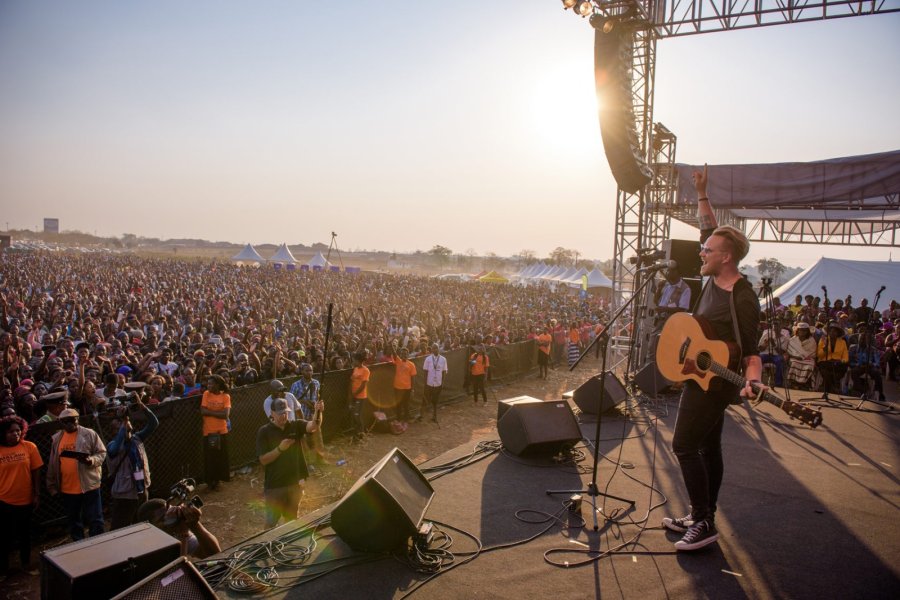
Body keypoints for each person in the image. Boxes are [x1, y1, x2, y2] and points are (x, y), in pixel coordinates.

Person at [662, 164, 763, 552]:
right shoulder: (710, 275)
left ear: (727, 258)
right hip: (698, 374)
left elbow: (750, 351)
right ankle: (701, 513)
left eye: (708, 249)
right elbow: (709, 226)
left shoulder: (742, 297)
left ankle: (704, 522)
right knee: (708, 447)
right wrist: (702, 192)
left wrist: (753, 378)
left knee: (684, 445)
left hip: (717, 382)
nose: (701, 250)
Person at [256, 396, 323, 528]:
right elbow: (263, 460)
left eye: (286, 412)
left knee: (292, 520)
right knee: (270, 523)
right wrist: (280, 449)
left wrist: (318, 411)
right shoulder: (264, 431)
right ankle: (268, 547)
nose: (284, 416)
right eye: (280, 413)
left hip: (294, 484)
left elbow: (313, 426)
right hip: (275, 486)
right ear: (272, 413)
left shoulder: (295, 425)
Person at [46, 408, 107, 541]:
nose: (70, 423)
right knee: (74, 521)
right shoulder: (57, 439)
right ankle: (79, 546)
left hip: (89, 485)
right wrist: (51, 486)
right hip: (67, 488)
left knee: (95, 519)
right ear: (61, 422)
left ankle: (98, 544)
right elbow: (53, 463)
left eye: (72, 420)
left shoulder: (89, 434)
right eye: (66, 421)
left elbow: (102, 453)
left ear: (77, 419)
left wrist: (90, 460)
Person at [0, 415, 43, 576]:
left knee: (25, 535)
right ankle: (3, 569)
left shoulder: (29, 447)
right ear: (3, 433)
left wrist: (37, 493)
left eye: (18, 430)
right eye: (11, 431)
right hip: (4, 500)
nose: (15, 434)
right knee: (4, 537)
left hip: (25, 499)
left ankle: (26, 564)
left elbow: (36, 470)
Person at [107, 399, 159, 529]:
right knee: (120, 526)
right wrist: (124, 424)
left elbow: (154, 423)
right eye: (119, 424)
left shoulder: (137, 438)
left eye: (125, 421)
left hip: (141, 487)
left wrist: (142, 406)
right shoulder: (113, 445)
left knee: (142, 521)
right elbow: (114, 450)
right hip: (125, 492)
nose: (124, 423)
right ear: (114, 432)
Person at [136, 499, 221, 558]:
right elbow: (176, 575)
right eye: (163, 519)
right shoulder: (145, 549)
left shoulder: (176, 531)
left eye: (170, 514)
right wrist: (183, 536)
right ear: (149, 527)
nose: (171, 520)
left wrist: (195, 526)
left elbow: (215, 555)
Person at [289, 364, 327, 464]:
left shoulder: (316, 383)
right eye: (307, 371)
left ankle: (320, 459)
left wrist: (317, 404)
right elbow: (291, 401)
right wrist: (304, 402)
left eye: (311, 370)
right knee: (303, 439)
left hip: (313, 414)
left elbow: (318, 397)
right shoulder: (296, 385)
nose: (309, 372)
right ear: (302, 372)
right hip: (302, 415)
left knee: (318, 436)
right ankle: (306, 462)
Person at [200, 375, 231, 491]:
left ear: (218, 385)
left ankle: (217, 482)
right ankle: (209, 483)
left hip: (221, 431)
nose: (209, 386)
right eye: (208, 384)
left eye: (211, 384)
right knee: (209, 459)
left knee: (219, 458)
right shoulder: (206, 394)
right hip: (208, 432)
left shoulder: (226, 396)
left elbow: (226, 415)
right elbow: (203, 411)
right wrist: (218, 412)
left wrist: (210, 412)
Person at [816, 322, 849, 395]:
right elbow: (819, 355)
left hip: (838, 363)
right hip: (825, 361)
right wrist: (824, 349)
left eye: (835, 331)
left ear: (838, 333)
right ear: (828, 331)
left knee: (841, 369)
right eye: (831, 330)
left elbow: (845, 356)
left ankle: (825, 387)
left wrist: (842, 361)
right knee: (826, 371)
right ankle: (833, 387)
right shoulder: (823, 339)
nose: (832, 332)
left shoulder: (843, 342)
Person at [757, 317, 790, 387]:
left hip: (776, 355)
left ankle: (778, 383)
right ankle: (757, 381)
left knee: (780, 361)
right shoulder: (767, 334)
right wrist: (765, 344)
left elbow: (782, 352)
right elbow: (760, 348)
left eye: (777, 324)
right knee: (757, 359)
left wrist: (773, 344)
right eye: (774, 324)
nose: (775, 326)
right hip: (765, 354)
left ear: (781, 326)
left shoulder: (785, 339)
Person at [421, 343, 448, 423]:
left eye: (436, 348)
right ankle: (421, 415)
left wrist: (442, 383)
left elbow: (444, 372)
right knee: (425, 399)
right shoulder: (428, 359)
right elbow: (425, 371)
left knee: (435, 401)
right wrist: (425, 383)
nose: (435, 349)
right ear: (431, 350)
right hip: (429, 383)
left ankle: (435, 416)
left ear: (439, 349)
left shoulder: (443, 359)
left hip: (438, 384)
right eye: (433, 348)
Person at [389, 347, 417, 423]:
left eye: (405, 353)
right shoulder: (398, 361)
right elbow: (393, 352)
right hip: (397, 387)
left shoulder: (411, 364)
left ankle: (406, 420)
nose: (404, 355)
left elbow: (413, 378)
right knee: (398, 405)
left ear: (408, 355)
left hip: (407, 388)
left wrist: (412, 389)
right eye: (402, 353)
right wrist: (390, 344)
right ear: (400, 355)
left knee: (406, 405)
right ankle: (399, 419)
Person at [786, 323, 817, 388]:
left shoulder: (812, 340)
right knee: (794, 363)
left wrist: (804, 357)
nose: (802, 332)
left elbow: (813, 352)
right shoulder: (793, 340)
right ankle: (794, 383)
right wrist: (796, 357)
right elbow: (789, 351)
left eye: (804, 330)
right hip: (794, 357)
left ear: (807, 331)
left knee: (810, 365)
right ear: (797, 330)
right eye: (801, 330)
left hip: (808, 358)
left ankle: (803, 383)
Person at [349, 352, 370, 439]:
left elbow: (363, 385)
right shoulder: (356, 369)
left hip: (361, 396)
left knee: (357, 414)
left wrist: (355, 394)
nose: (353, 361)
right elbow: (352, 380)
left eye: (354, 360)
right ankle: (357, 431)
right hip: (354, 395)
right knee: (354, 414)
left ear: (358, 360)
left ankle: (361, 432)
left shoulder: (366, 370)